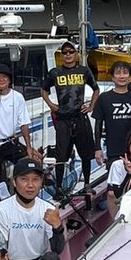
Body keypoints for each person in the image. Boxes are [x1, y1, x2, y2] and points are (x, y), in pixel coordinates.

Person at [0, 158, 64, 260]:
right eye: (24, 179)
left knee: (52, 259)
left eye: (35, 179)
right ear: (14, 181)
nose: (30, 185)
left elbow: (57, 250)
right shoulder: (1, 210)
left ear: (41, 182)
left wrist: (57, 227)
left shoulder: (48, 208)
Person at [41, 40, 99, 192]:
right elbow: (43, 90)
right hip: (62, 119)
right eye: (65, 52)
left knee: (85, 154)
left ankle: (87, 184)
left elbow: (96, 89)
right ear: (61, 55)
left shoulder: (84, 71)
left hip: (80, 117)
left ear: (76, 54)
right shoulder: (55, 72)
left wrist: (91, 106)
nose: (68, 55)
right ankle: (59, 187)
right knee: (61, 156)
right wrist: (51, 105)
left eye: (71, 52)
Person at [93, 60, 131, 167]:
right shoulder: (104, 98)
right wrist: (97, 148)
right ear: (112, 77)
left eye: (125, 73)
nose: (122, 76)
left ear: (130, 77)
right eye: (118, 73)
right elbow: (98, 123)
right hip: (113, 149)